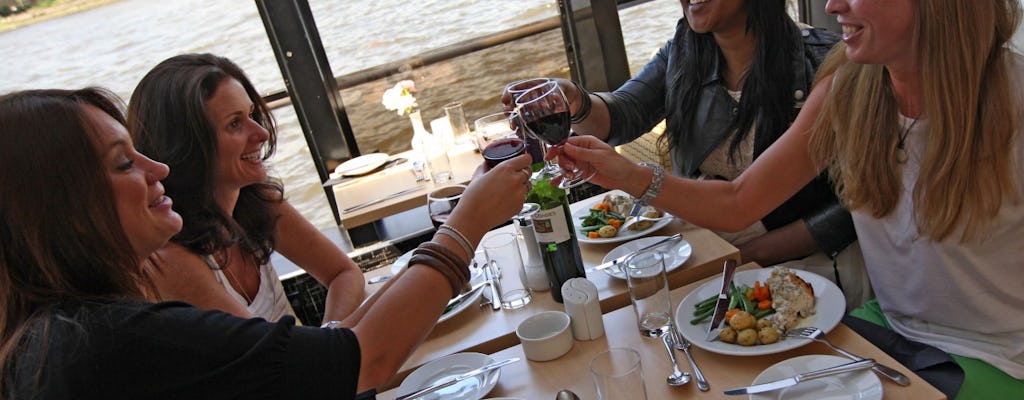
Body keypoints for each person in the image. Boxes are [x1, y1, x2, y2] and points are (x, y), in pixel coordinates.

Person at [558, 0, 1024, 397]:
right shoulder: (851, 86)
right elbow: (741, 201)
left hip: (998, 355)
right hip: (886, 322)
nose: (833, 5)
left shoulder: (1013, 99)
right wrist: (624, 173)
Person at [0, 87, 534, 397]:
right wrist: (465, 226)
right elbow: (361, 363)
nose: (154, 167)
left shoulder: (49, 342)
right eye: (123, 162)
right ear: (62, 209)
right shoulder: (113, 341)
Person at [505, 0, 871, 308]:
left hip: (809, 264)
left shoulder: (826, 65)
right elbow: (623, 113)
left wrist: (745, 253)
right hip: (702, 249)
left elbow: (854, 208)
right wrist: (577, 100)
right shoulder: (683, 52)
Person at [126, 53, 364, 324]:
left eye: (251, 114)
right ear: (188, 146)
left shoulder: (256, 201)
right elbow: (263, 354)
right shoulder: (171, 260)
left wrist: (331, 336)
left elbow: (344, 273)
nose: (261, 134)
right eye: (235, 124)